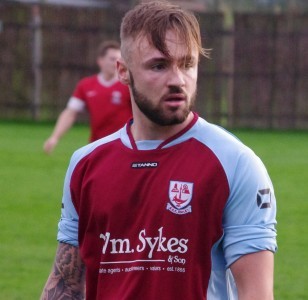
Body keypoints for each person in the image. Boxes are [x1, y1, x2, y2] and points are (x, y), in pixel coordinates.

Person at [41, 1, 277, 299]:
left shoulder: (235, 163)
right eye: (159, 65)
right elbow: (66, 284)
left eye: (187, 64)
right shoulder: (85, 164)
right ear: (123, 72)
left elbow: (256, 293)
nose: (178, 80)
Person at [43, 40, 132, 154]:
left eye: (119, 59)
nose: (116, 63)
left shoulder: (128, 85)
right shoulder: (86, 85)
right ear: (100, 61)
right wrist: (54, 137)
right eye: (112, 59)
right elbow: (70, 112)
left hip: (125, 145)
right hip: (97, 145)